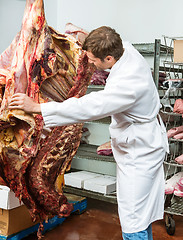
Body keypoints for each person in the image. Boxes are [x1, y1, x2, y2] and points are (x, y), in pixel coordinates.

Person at [9, 26, 168, 240]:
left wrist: (38, 108)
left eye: (93, 60)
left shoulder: (128, 84)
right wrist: (86, 36)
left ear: (109, 57)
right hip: (139, 141)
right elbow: (110, 40)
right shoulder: (126, 51)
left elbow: (89, 106)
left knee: (133, 217)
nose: (90, 64)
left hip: (140, 152)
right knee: (138, 212)